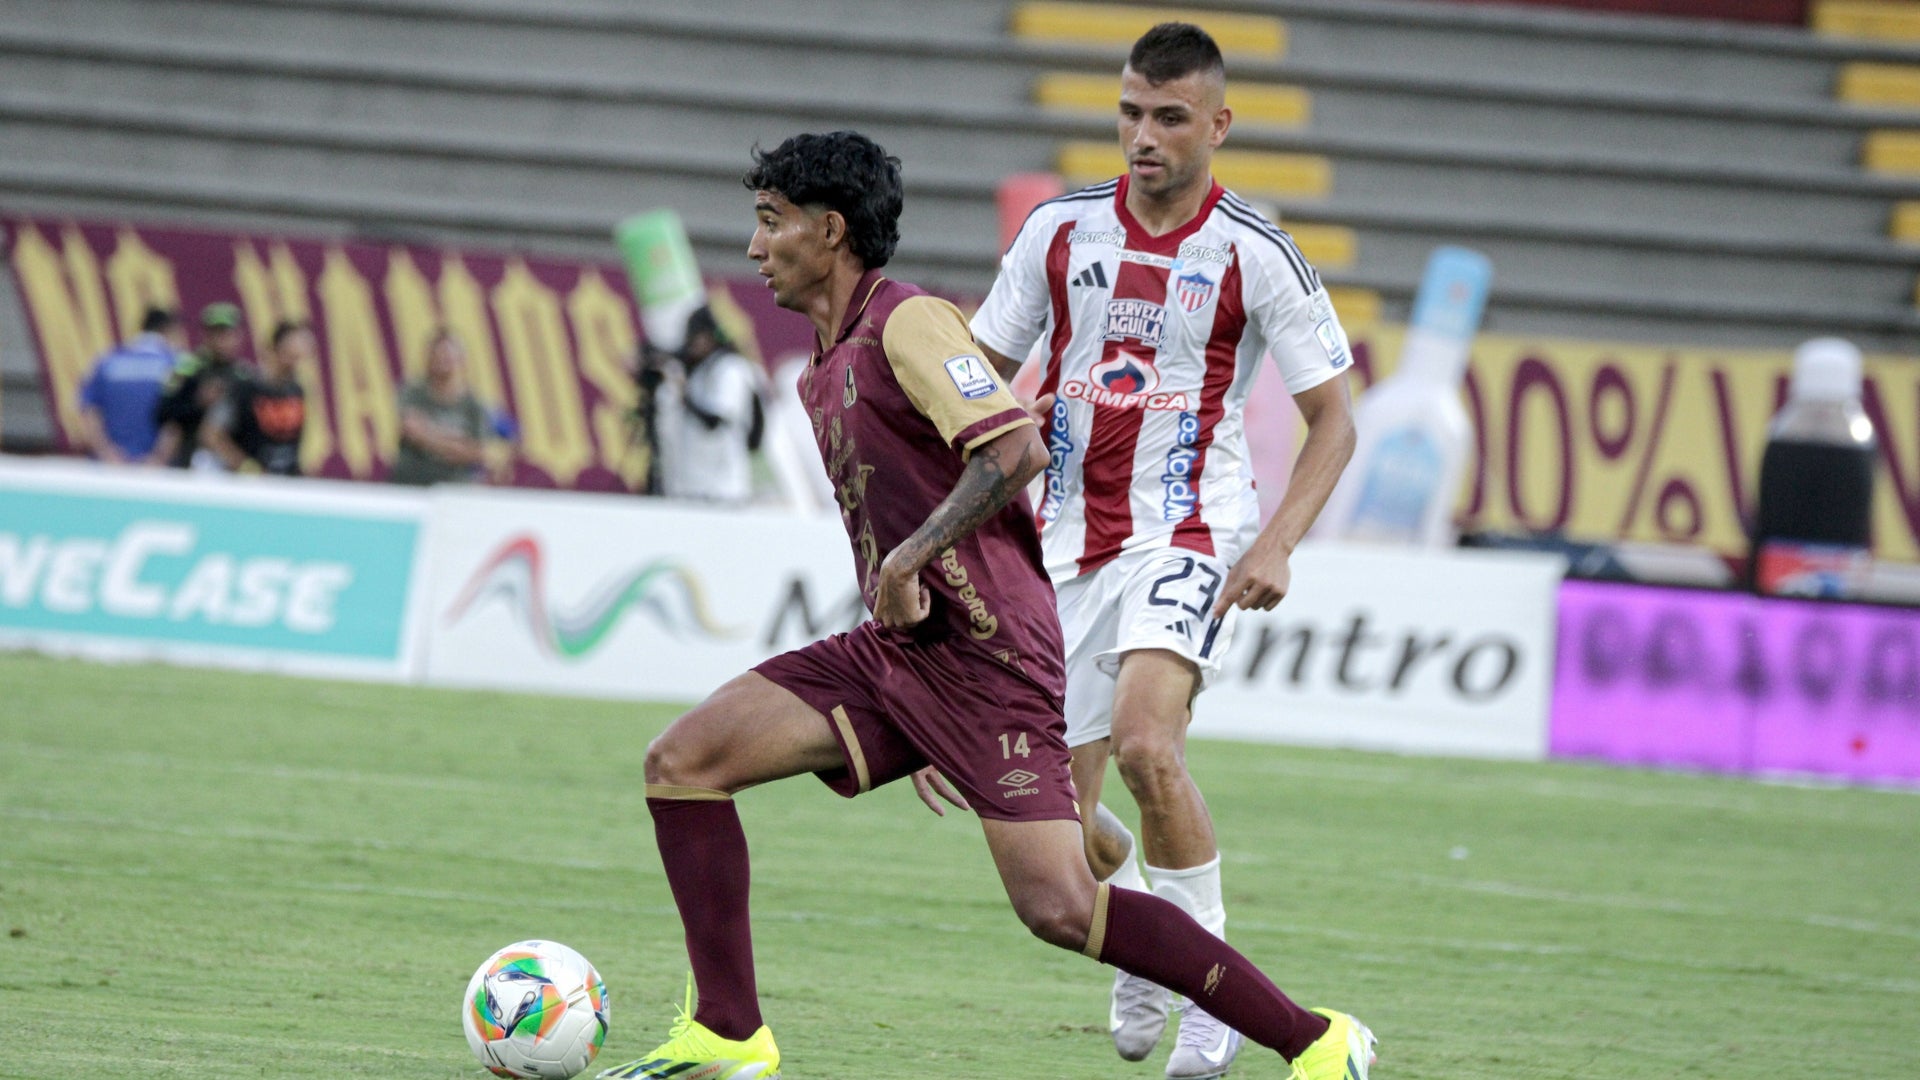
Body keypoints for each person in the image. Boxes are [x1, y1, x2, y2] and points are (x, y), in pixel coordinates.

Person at [594, 131, 1372, 1080]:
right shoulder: (821, 365)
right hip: (898, 653)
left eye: (771, 223)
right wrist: (904, 620)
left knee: (1058, 907)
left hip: (987, 660)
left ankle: (1315, 1039)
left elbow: (1012, 451)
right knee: (683, 762)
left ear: (830, 230)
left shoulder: (910, 324)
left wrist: (914, 560)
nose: (754, 247)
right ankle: (727, 1036)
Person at [968, 23, 1361, 1078]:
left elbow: (1336, 419)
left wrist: (1275, 543)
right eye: (1132, 112)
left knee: (1150, 745)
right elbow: (973, 379)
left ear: (1218, 126)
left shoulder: (1254, 251)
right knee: (1064, 831)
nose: (1144, 136)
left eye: (1170, 117)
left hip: (1187, 532)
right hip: (1058, 549)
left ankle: (1209, 988)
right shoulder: (1057, 232)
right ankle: (1146, 920)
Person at [644, 305, 765, 503]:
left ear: (708, 337)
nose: (690, 346)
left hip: (723, 488)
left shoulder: (730, 368)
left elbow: (715, 420)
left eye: (693, 338)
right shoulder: (700, 370)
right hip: (695, 486)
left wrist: (685, 394)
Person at [389, 328, 501, 486]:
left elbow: (479, 453)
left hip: (455, 488)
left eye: (448, 355)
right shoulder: (412, 393)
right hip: (412, 484)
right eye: (437, 354)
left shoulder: (475, 406)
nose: (442, 360)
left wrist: (427, 434)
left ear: (462, 360)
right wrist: (456, 443)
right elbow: (412, 431)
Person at [77, 305, 184, 464]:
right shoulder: (176, 365)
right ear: (168, 331)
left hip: (109, 467)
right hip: (155, 471)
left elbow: (90, 412)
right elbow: (178, 418)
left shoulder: (107, 361)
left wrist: (107, 453)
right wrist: (157, 459)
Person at [202, 318, 310, 476]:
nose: (292, 364)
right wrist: (245, 466)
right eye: (288, 355)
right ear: (272, 351)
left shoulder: (296, 391)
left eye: (297, 358)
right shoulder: (244, 389)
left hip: (286, 480)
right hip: (249, 486)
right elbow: (211, 434)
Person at [154, 302, 250, 471]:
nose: (222, 340)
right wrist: (198, 402)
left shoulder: (244, 376)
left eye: (227, 333)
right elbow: (162, 412)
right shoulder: (186, 369)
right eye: (216, 333)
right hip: (191, 458)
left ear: (238, 336)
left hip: (231, 462)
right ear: (205, 335)